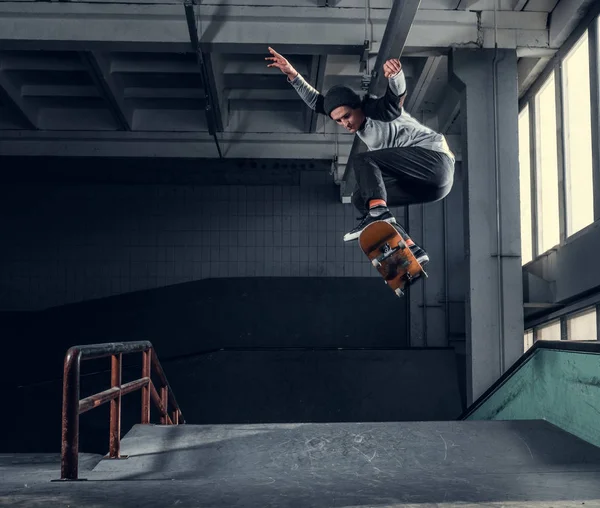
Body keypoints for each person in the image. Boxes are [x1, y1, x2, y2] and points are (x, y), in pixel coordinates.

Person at [265, 46, 455, 269]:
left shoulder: (375, 110)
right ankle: (410, 249)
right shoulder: (354, 122)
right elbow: (318, 103)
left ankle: (379, 215)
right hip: (431, 189)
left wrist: (395, 76)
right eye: (339, 121)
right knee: (360, 198)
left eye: (347, 116)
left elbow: (394, 101)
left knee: (364, 160)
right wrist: (293, 74)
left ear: (358, 107)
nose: (345, 123)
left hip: (435, 163)